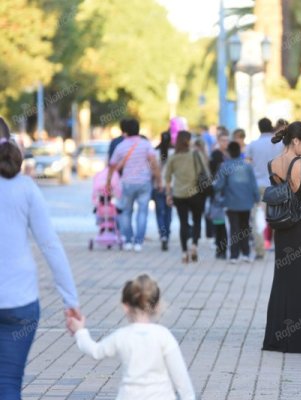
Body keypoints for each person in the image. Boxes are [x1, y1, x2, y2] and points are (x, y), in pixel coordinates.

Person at [0, 117, 80, 399]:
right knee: (8, 384)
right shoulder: (26, 189)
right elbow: (50, 246)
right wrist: (71, 300)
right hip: (20, 301)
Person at [67, 274, 195, 400]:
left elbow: (95, 351)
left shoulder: (122, 336)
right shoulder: (164, 336)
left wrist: (80, 331)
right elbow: (181, 379)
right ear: (157, 306)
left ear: (125, 307)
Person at [262, 121, 301, 353]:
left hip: (284, 227)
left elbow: (285, 193)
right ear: (296, 140)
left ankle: (277, 339)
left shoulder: (273, 163)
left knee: (284, 280)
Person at [107, 118, 162, 252]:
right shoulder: (146, 144)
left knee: (126, 212)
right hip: (144, 183)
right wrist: (159, 180)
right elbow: (154, 163)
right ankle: (138, 242)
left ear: (124, 131)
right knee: (142, 212)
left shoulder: (121, 146)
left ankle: (128, 240)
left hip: (127, 183)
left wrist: (108, 182)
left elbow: (112, 165)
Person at [164, 131, 211, 263]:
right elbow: (206, 172)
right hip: (196, 193)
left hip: (179, 195)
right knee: (197, 221)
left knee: (183, 223)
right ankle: (194, 246)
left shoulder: (173, 157)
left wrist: (168, 194)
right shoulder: (196, 154)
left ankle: (184, 253)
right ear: (189, 141)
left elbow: (167, 178)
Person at [214, 141, 259, 262]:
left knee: (234, 228)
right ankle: (246, 253)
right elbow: (253, 184)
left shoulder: (225, 166)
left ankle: (234, 255)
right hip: (247, 202)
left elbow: (219, 185)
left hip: (231, 202)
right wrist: (256, 198)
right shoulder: (247, 166)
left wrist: (212, 190)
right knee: (245, 227)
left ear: (229, 152)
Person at [246, 117, 284, 259]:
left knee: (256, 218)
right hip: (276, 184)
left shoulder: (252, 145)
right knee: (278, 217)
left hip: (257, 186)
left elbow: (248, 164)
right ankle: (277, 246)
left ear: (259, 128)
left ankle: (260, 249)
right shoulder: (279, 145)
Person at [208, 128, 230, 254]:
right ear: (218, 141)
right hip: (217, 191)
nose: (225, 143)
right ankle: (220, 245)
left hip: (229, 191)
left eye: (227, 140)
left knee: (229, 220)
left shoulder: (230, 154)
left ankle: (225, 244)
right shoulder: (215, 155)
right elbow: (211, 173)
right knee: (218, 219)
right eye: (222, 140)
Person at [153, 131, 173, 251]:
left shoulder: (155, 153)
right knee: (168, 212)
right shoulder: (174, 153)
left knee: (160, 213)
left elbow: (152, 171)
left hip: (158, 186)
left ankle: (163, 235)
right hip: (171, 186)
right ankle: (167, 234)